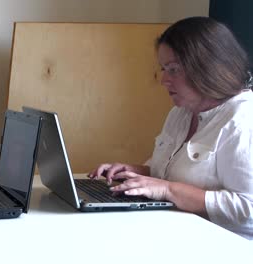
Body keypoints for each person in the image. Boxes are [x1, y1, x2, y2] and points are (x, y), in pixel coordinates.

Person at [89, 16, 253, 240]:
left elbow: (248, 210)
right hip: (175, 234)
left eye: (174, 69)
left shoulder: (243, 121)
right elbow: (170, 173)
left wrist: (168, 190)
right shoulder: (181, 112)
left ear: (208, 67)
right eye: (164, 68)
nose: (164, 79)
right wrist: (136, 174)